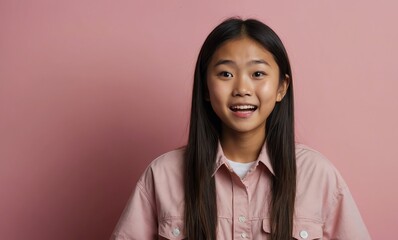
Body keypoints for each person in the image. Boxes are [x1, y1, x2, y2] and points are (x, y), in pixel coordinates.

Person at [111, 18, 371, 240]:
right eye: (226, 74)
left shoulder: (318, 176)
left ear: (281, 87)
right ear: (205, 87)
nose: (242, 89)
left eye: (258, 74)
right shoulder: (162, 175)